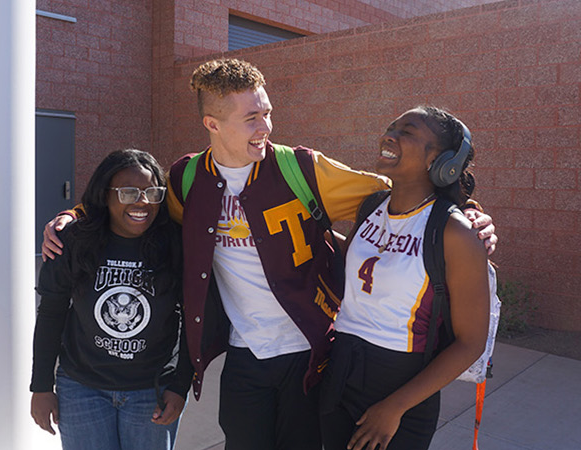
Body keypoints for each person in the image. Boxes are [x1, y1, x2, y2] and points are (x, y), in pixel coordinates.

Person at [38, 58, 500, 449]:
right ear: (212, 124)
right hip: (244, 355)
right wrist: (75, 215)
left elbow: (401, 190)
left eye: (267, 112)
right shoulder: (186, 180)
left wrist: (471, 214)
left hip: (311, 356)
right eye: (252, 118)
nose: (267, 127)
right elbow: (139, 204)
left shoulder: (303, 168)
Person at [318, 107, 491, 450]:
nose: (389, 136)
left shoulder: (455, 231)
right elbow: (356, 262)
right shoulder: (371, 207)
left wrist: (395, 407)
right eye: (390, 127)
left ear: (440, 160)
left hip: (402, 384)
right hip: (340, 368)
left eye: (407, 132)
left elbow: (471, 343)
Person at [28, 148, 190, 449]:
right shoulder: (71, 241)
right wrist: (41, 386)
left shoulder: (176, 244)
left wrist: (180, 385)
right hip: (81, 389)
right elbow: (51, 313)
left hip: (151, 391)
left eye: (152, 193)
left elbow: (194, 319)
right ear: (105, 194)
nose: (142, 202)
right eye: (128, 193)